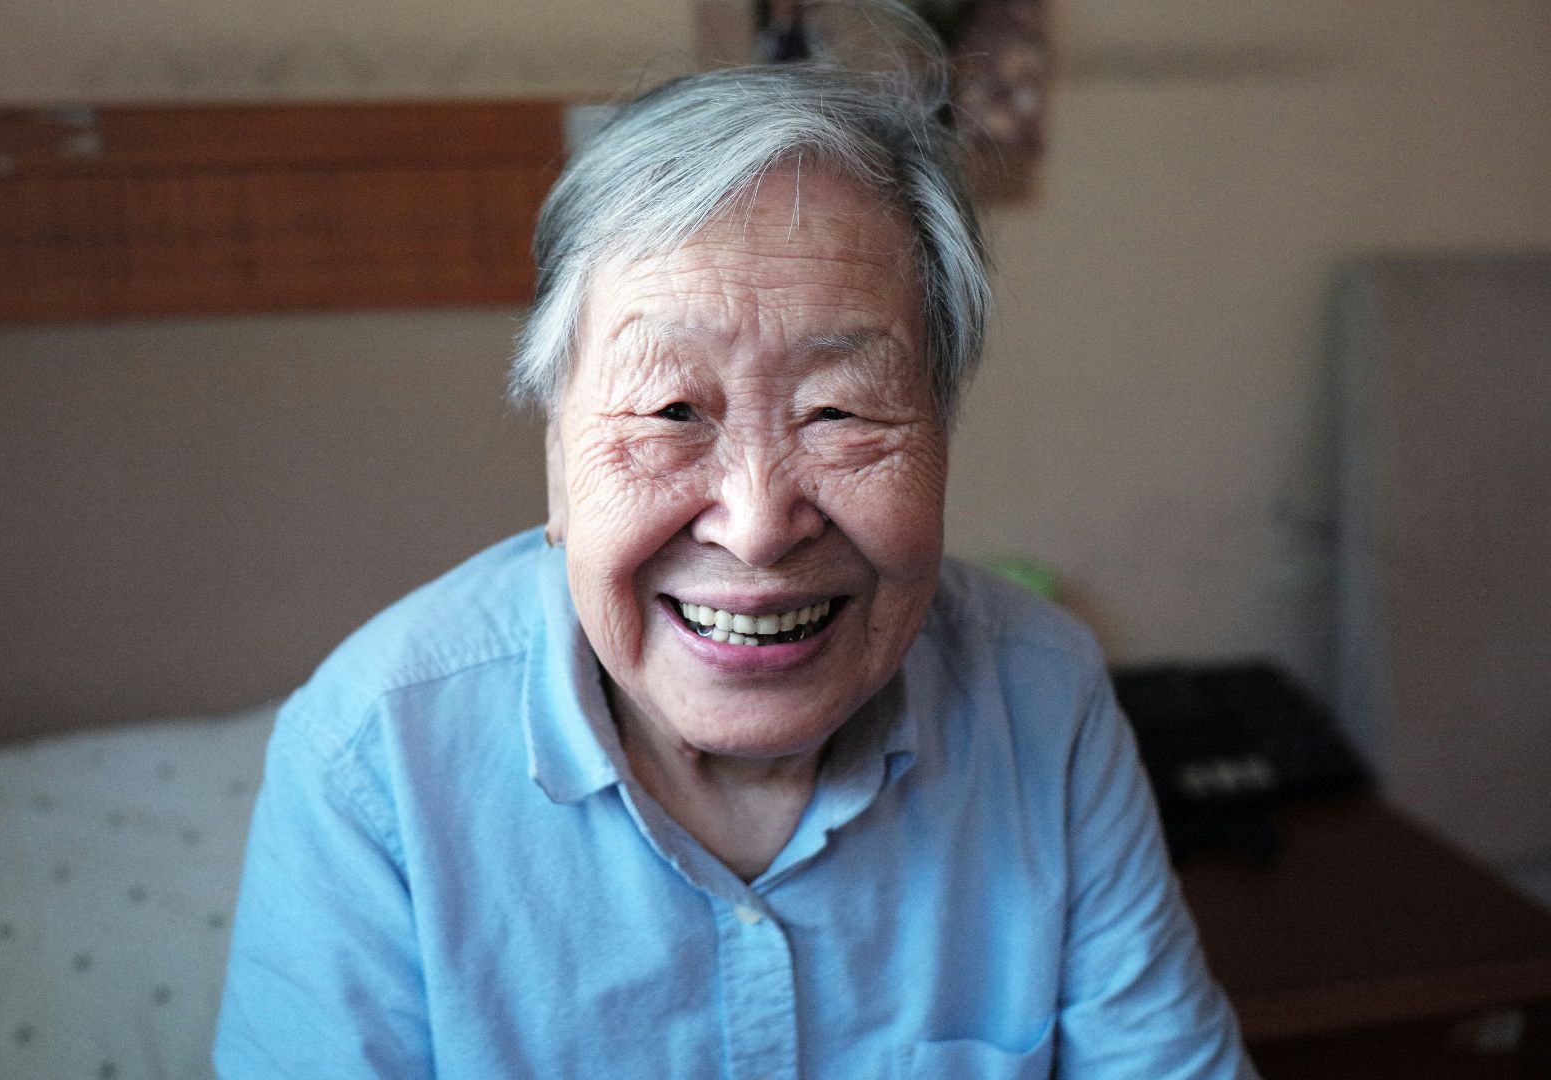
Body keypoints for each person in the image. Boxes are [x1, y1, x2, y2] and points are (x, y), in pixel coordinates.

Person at [214, 9, 1256, 1078]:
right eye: (670, 411)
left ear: (942, 436)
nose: (758, 527)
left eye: (841, 412)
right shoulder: (373, 762)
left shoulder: (1041, 696)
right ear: (558, 461)